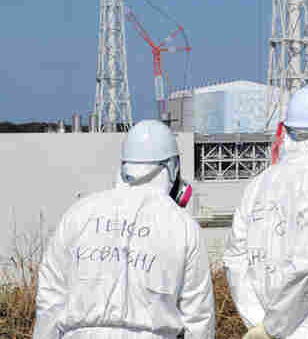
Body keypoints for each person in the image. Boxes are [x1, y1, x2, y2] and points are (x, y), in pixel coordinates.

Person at [33, 119, 215, 339]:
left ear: (123, 165)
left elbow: (50, 300)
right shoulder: (183, 225)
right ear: (173, 168)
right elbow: (198, 318)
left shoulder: (78, 214)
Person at [223, 85, 308, 339]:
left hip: (259, 327)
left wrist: (258, 323)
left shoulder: (257, 185)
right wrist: (272, 327)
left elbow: (235, 259)